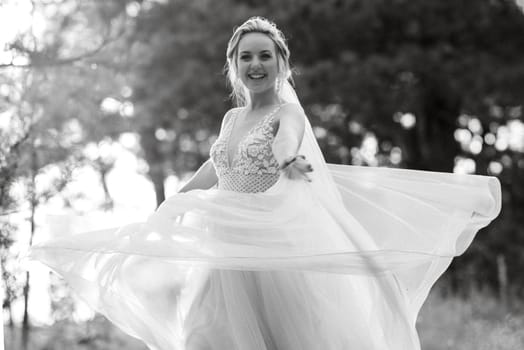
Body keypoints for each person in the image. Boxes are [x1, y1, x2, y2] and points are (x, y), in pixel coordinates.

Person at [25, 17, 501, 350]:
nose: (257, 65)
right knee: (208, 337)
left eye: (265, 56)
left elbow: (290, 145)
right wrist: (165, 213)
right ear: (235, 64)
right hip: (222, 249)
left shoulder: (287, 113)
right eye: (247, 57)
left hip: (271, 246)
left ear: (280, 63)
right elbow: (211, 173)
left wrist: (288, 158)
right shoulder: (233, 116)